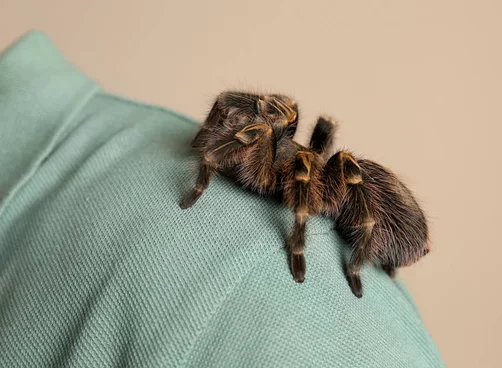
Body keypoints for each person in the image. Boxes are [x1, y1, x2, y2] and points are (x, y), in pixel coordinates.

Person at [0, 32, 445, 367]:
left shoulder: (302, 312)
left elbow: (304, 167)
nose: (255, 130)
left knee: (340, 165)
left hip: (382, 223)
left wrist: (305, 242)